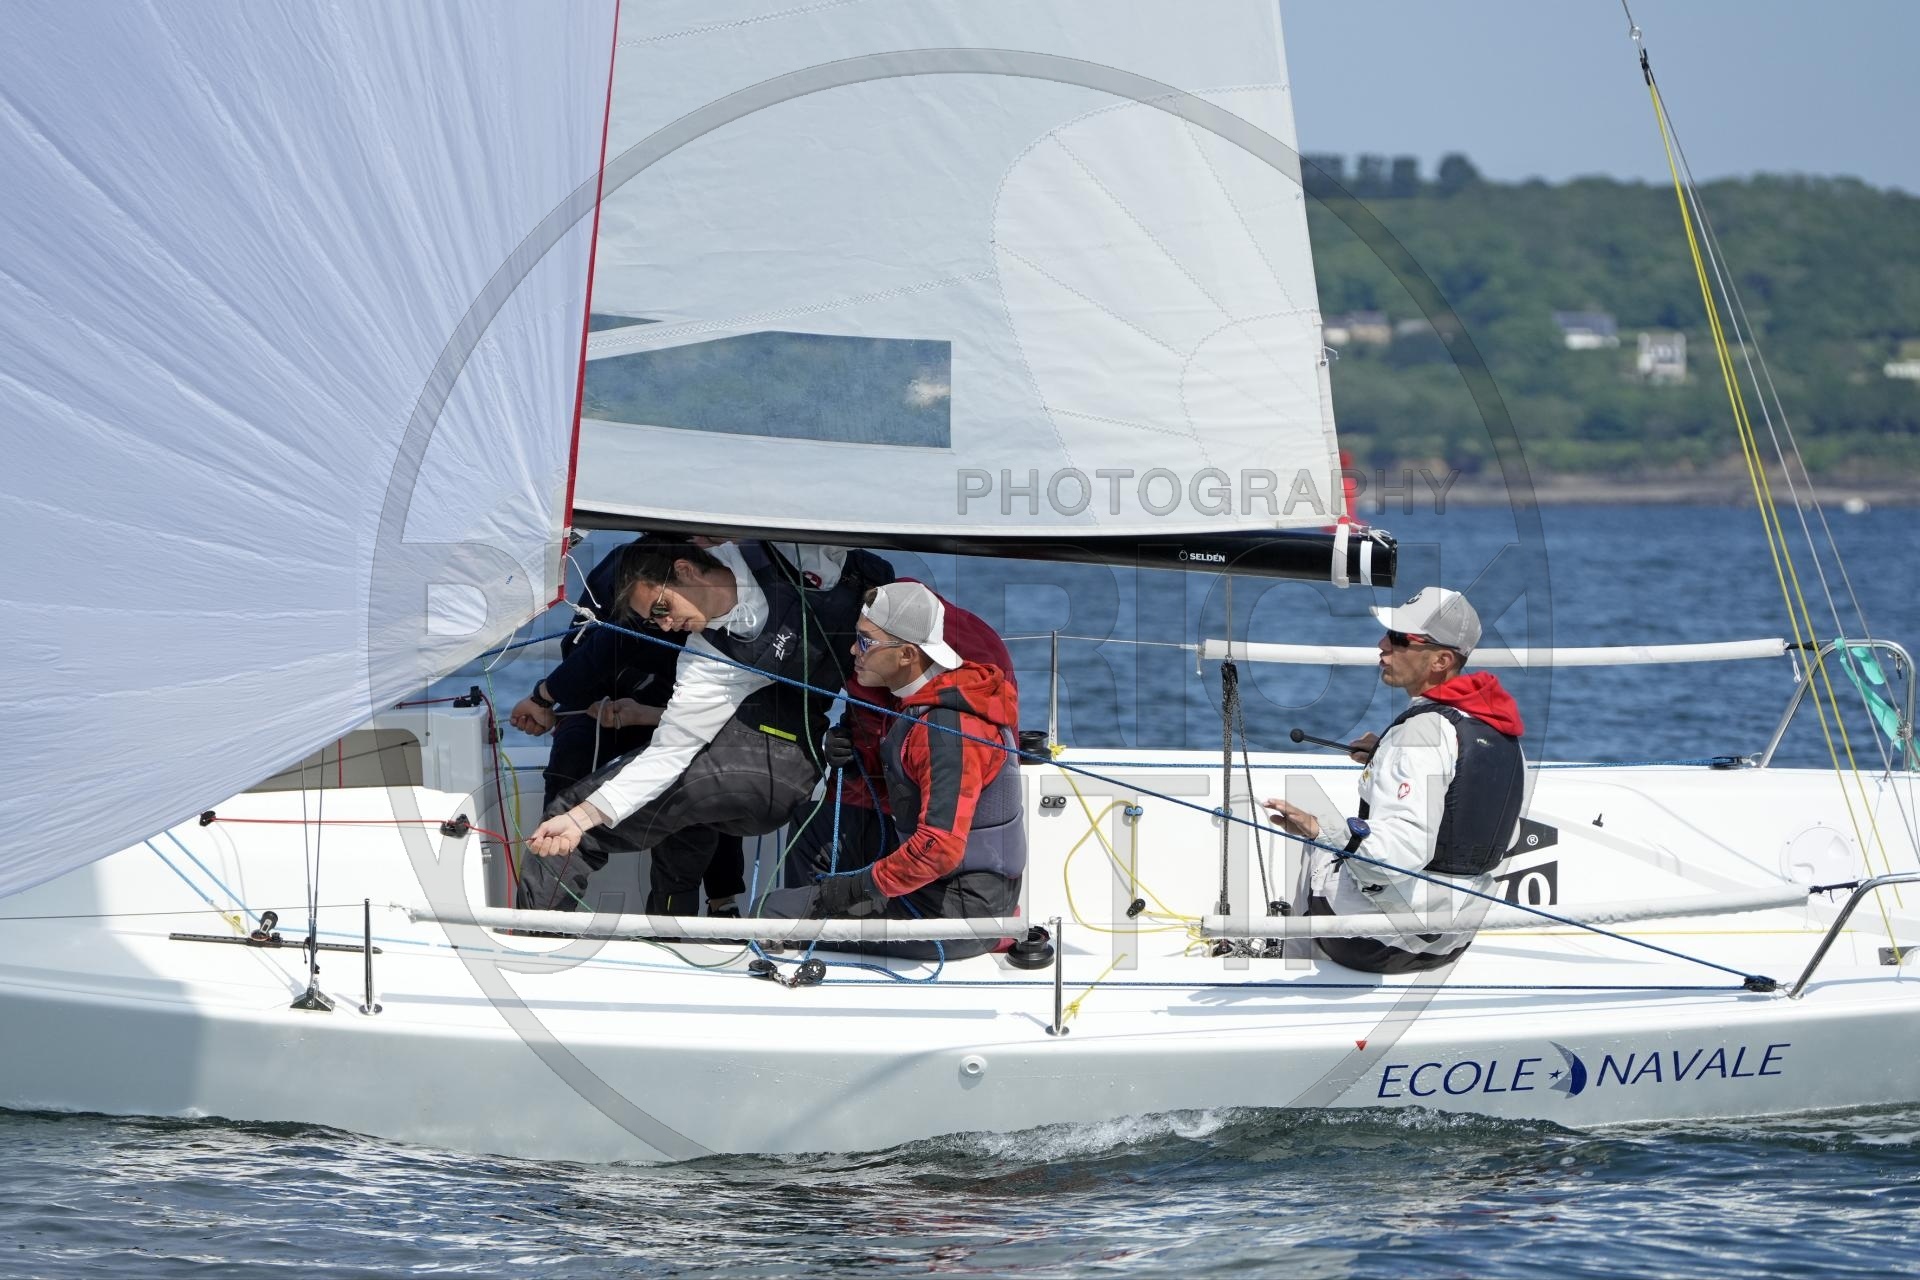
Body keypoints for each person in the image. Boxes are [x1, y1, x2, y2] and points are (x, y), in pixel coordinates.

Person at [523, 537, 893, 915]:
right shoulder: (709, 658)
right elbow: (670, 752)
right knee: (603, 804)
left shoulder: (783, 548)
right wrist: (578, 819)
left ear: (685, 569)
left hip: (897, 675)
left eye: (662, 607)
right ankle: (554, 928)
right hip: (779, 771)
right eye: (653, 620)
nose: (665, 624)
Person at [1261, 586, 1525, 974]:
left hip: (1380, 944)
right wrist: (1385, 755)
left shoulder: (1419, 735)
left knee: (1318, 842)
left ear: (1441, 660)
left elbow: (1399, 856)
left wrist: (1322, 830)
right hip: (1452, 941)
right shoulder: (1498, 730)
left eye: (1400, 639)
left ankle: (1291, 965)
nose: (1382, 644)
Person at [758, 581, 1026, 960]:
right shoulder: (925, 700)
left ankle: (811, 943)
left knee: (770, 914)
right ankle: (818, 943)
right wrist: (854, 758)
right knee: (814, 825)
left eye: (865, 642)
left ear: (906, 655)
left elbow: (939, 850)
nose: (853, 651)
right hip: (946, 890)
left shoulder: (945, 730)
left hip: (958, 913)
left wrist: (851, 890)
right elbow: (915, 790)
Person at [508, 535, 745, 916]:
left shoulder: (743, 574)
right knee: (566, 791)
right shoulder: (640, 571)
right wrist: (545, 697)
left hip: (680, 711)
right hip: (598, 707)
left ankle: (704, 913)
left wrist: (647, 713)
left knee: (700, 796)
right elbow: (603, 647)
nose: (665, 623)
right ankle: (542, 922)